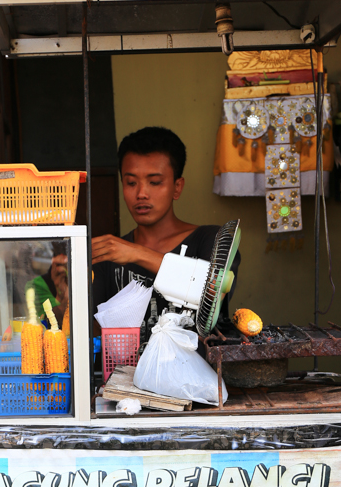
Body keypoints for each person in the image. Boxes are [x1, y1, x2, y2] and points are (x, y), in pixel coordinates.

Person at [92, 126, 240, 343]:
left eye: (155, 182)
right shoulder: (109, 254)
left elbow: (213, 292)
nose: (141, 193)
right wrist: (66, 295)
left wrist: (137, 254)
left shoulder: (211, 240)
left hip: (195, 375)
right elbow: (94, 333)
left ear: (177, 187)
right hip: (123, 375)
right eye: (131, 182)